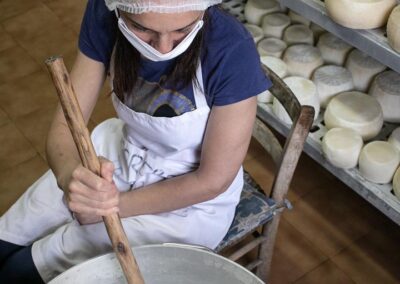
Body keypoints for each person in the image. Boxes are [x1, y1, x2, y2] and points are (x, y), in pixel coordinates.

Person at [0, 0, 271, 282]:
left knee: (22, 271)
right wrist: (70, 176)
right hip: (121, 154)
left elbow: (211, 180)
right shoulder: (105, 11)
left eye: (183, 29)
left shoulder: (232, 51)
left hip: (188, 201)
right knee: (7, 240)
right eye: (142, 28)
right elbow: (66, 126)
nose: (163, 48)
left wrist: (112, 205)